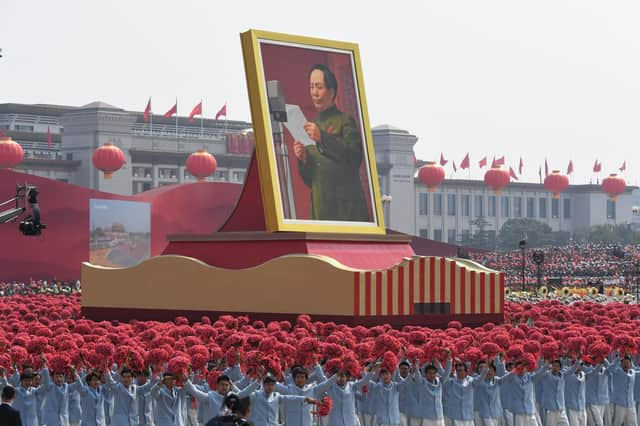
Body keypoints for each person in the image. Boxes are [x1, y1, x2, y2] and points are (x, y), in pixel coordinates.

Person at [292, 64, 370, 222]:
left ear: (331, 91)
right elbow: (310, 179)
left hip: (345, 210)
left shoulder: (345, 121)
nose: (314, 93)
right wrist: (303, 159)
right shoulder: (311, 125)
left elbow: (354, 158)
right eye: (311, 87)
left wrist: (323, 138)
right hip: (320, 208)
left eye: (319, 87)